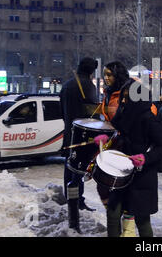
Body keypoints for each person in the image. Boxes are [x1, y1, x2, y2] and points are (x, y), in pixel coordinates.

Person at [95, 68, 162, 237]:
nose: (123, 100)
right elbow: (115, 133)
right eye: (123, 96)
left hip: (141, 177)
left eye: (126, 97)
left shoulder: (148, 119)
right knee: (113, 213)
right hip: (121, 173)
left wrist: (145, 158)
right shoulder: (122, 115)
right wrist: (106, 140)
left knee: (142, 220)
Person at [60, 57, 98, 211]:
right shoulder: (88, 86)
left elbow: (61, 110)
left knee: (69, 167)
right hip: (82, 135)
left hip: (69, 132)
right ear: (91, 71)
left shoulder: (67, 85)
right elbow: (93, 112)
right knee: (78, 169)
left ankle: (70, 198)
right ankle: (77, 201)